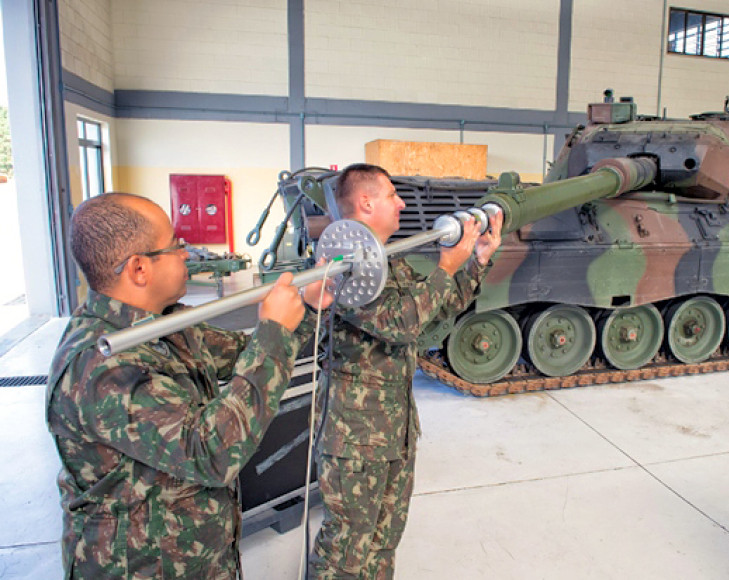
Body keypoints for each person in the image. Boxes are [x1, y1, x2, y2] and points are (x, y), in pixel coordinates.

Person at [46, 192, 333, 578]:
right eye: (175, 247)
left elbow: (244, 354)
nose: (186, 255)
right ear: (138, 269)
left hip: (199, 557)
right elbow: (212, 453)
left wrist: (308, 308)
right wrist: (273, 333)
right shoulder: (99, 368)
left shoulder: (160, 323)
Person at [310, 164, 503, 578]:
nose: (401, 203)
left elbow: (433, 313)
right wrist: (447, 266)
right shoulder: (341, 262)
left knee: (384, 540)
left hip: (394, 428)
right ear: (365, 202)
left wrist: (475, 264)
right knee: (346, 548)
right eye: (392, 194)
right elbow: (399, 324)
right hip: (355, 437)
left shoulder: (388, 260)